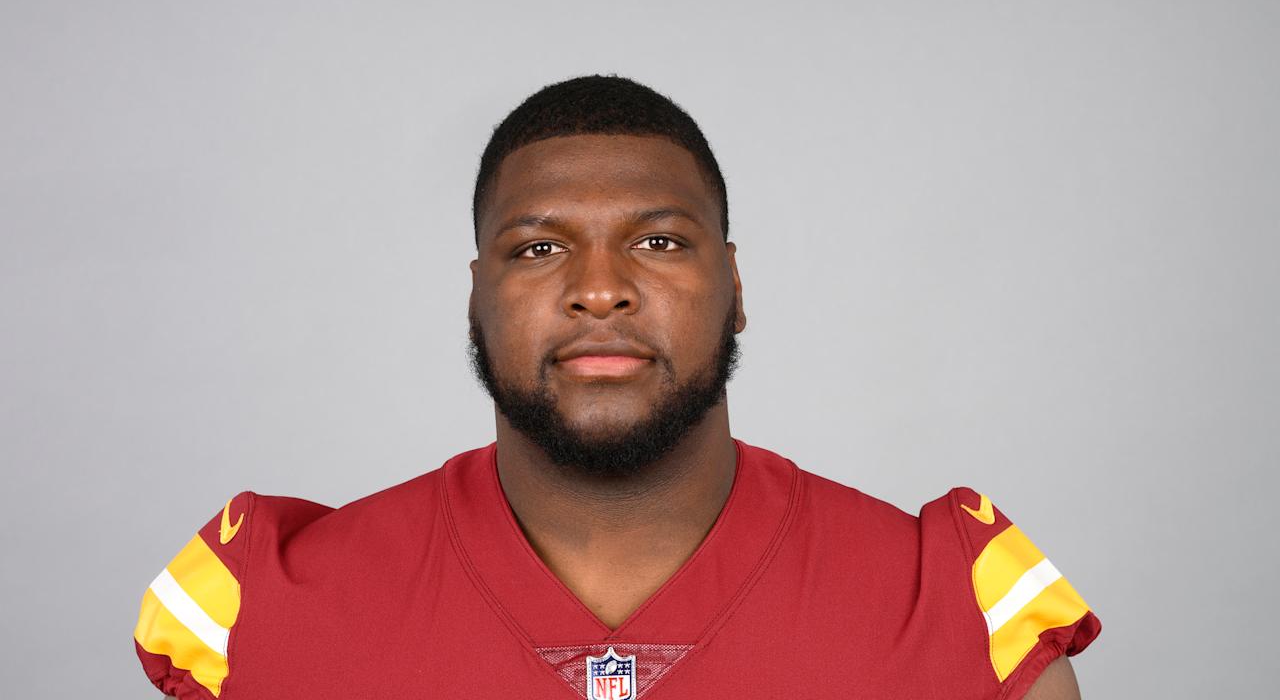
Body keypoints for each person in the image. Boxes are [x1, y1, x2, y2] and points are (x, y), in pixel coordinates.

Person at [132, 75, 1100, 700]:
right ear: (477, 297)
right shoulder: (265, 610)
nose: (599, 288)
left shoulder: (954, 609)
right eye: (539, 247)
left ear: (734, 286)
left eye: (658, 241)